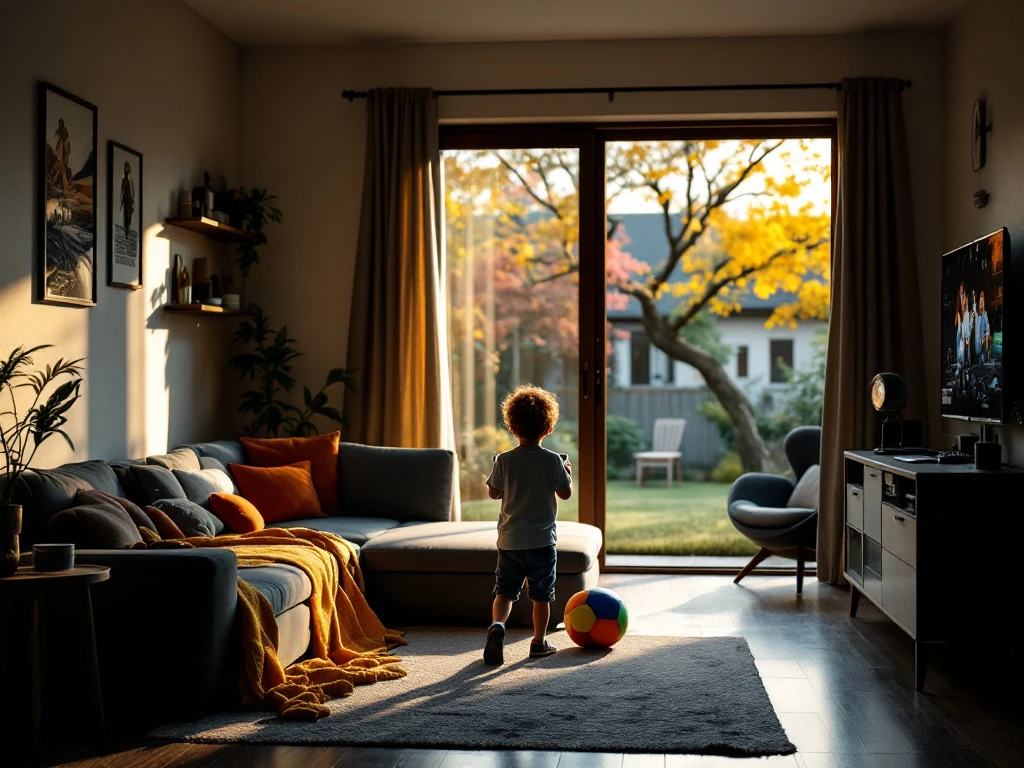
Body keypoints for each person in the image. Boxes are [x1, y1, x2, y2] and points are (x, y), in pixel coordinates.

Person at [483, 385, 572, 665]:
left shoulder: (504, 460)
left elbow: (494, 493)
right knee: (541, 597)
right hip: (542, 543)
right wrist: (567, 472)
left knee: (504, 593)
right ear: (548, 427)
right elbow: (565, 493)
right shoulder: (553, 461)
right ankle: (538, 642)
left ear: (511, 425)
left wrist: (497, 469)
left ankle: (497, 626)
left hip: (510, 541)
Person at [974, 291, 991, 363]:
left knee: (983, 359)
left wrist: (985, 337)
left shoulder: (985, 314)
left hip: (983, 341)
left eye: (983, 299)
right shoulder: (976, 315)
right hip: (977, 342)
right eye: (981, 299)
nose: (982, 302)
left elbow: (987, 327)